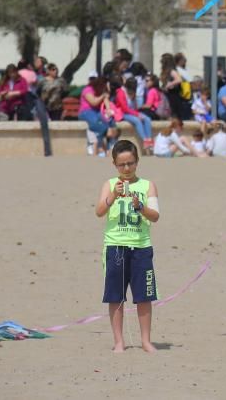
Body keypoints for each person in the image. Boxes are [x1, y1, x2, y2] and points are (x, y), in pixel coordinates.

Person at [94, 140, 160, 352]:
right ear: (115, 164)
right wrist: (113, 196)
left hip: (141, 247)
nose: (127, 169)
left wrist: (139, 206)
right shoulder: (109, 184)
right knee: (115, 296)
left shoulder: (147, 185)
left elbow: (155, 216)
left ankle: (146, 340)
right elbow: (99, 211)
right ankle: (119, 341)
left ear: (137, 162)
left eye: (131, 163)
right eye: (122, 165)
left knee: (144, 296)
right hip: (116, 247)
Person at [111, 75, 154, 154]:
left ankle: (149, 139)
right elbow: (124, 108)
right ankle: (145, 140)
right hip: (122, 113)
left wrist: (137, 113)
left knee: (147, 119)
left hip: (132, 112)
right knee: (137, 120)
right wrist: (137, 114)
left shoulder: (132, 92)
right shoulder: (121, 92)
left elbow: (134, 106)